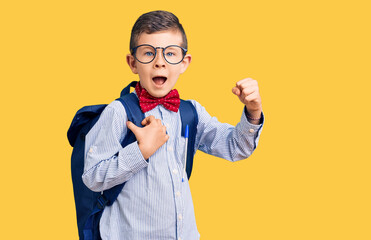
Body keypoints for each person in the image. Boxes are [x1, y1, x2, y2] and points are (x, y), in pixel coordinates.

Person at [82, 10, 264, 240]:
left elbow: (236, 147)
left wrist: (253, 111)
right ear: (133, 63)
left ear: (184, 62)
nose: (160, 63)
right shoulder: (118, 112)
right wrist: (140, 152)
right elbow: (91, 176)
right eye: (148, 53)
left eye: (170, 53)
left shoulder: (191, 112)